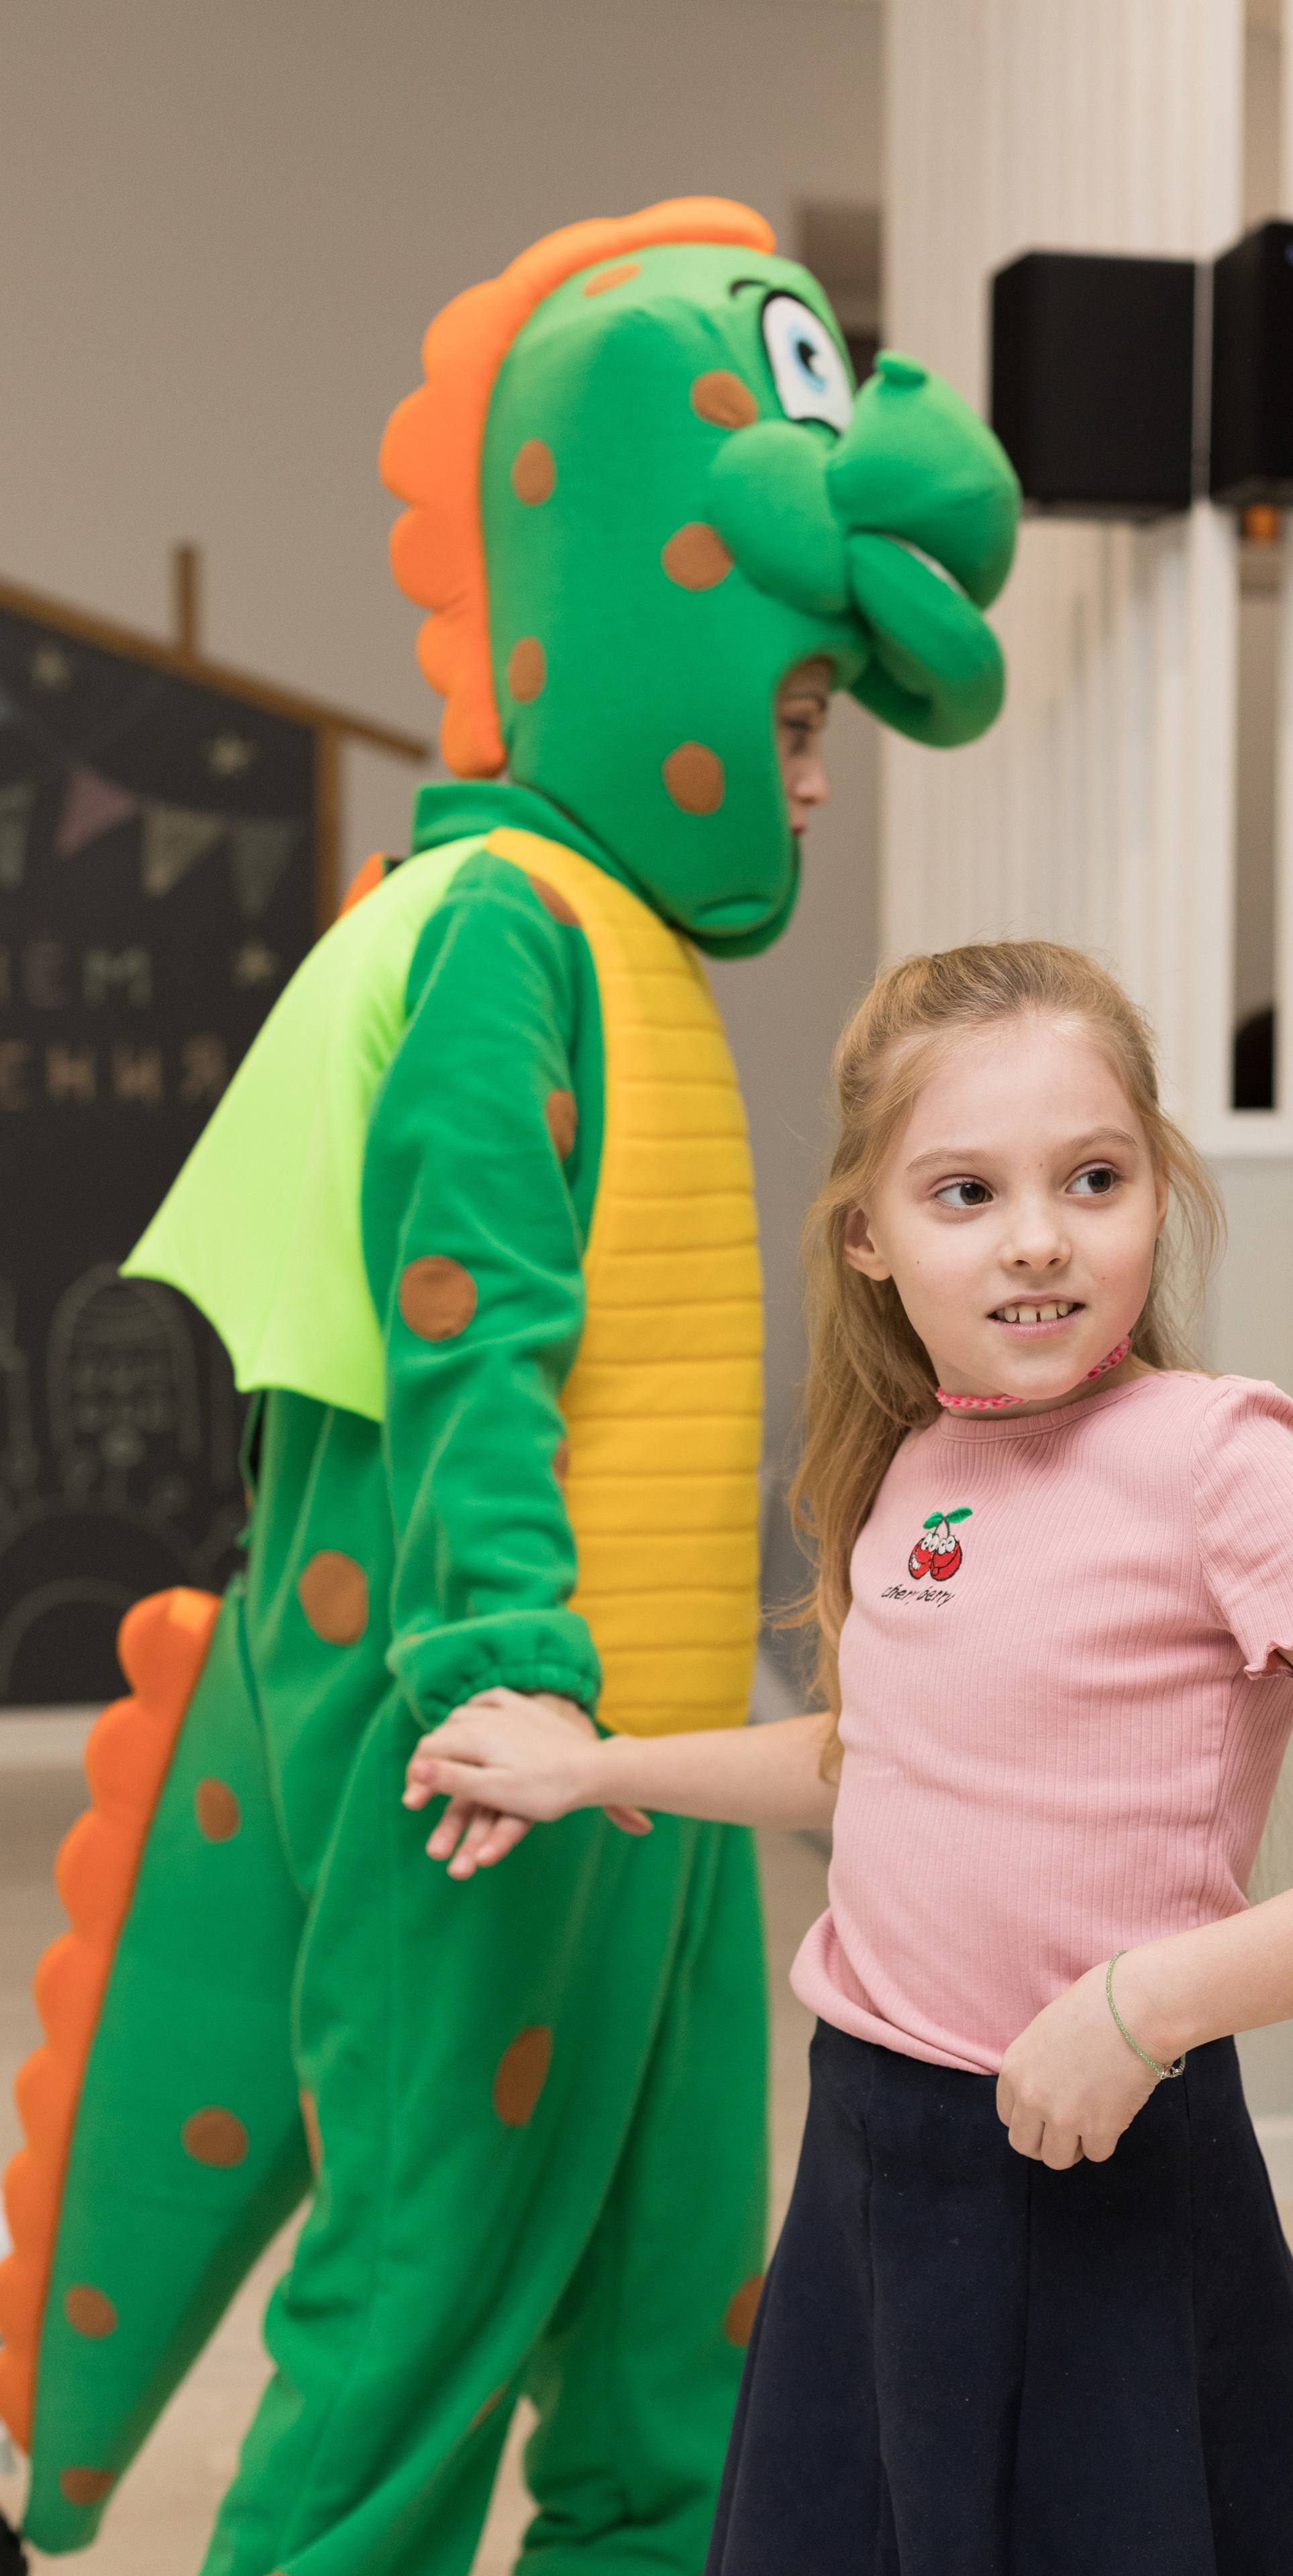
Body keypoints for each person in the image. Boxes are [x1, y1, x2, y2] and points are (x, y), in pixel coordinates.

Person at [0, 199, 1021, 2576]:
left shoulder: (627, 945)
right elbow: (473, 1323)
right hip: (497, 1745)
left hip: (648, 1759)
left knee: (675, 2324)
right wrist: (499, 1667)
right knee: (424, 2307)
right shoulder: (493, 928)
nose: (815, 781)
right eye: (796, 722)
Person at [405, 940, 1293, 2576]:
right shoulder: (916, 1461)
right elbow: (881, 1761)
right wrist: (598, 1766)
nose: (1038, 1238)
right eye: (964, 1192)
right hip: (870, 2154)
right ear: (867, 1233)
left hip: (1098, 2153)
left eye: (1092, 1179)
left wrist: (1141, 2008)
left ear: (1157, 1189)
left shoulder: (1219, 1459)